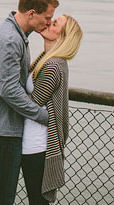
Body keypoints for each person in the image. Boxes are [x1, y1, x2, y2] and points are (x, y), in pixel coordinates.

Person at [0, 0, 59, 205]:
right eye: (47, 17)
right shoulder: (10, 40)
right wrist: (43, 117)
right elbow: (9, 91)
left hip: (3, 126)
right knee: (1, 198)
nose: (49, 22)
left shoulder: (17, 35)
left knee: (1, 194)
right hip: (2, 130)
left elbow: (10, 85)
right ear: (32, 13)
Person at [20, 14, 83, 204]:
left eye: (55, 23)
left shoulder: (53, 65)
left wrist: (3, 79)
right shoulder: (44, 59)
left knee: (37, 201)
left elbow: (32, 103)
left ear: (63, 36)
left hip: (38, 147)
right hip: (33, 144)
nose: (48, 22)